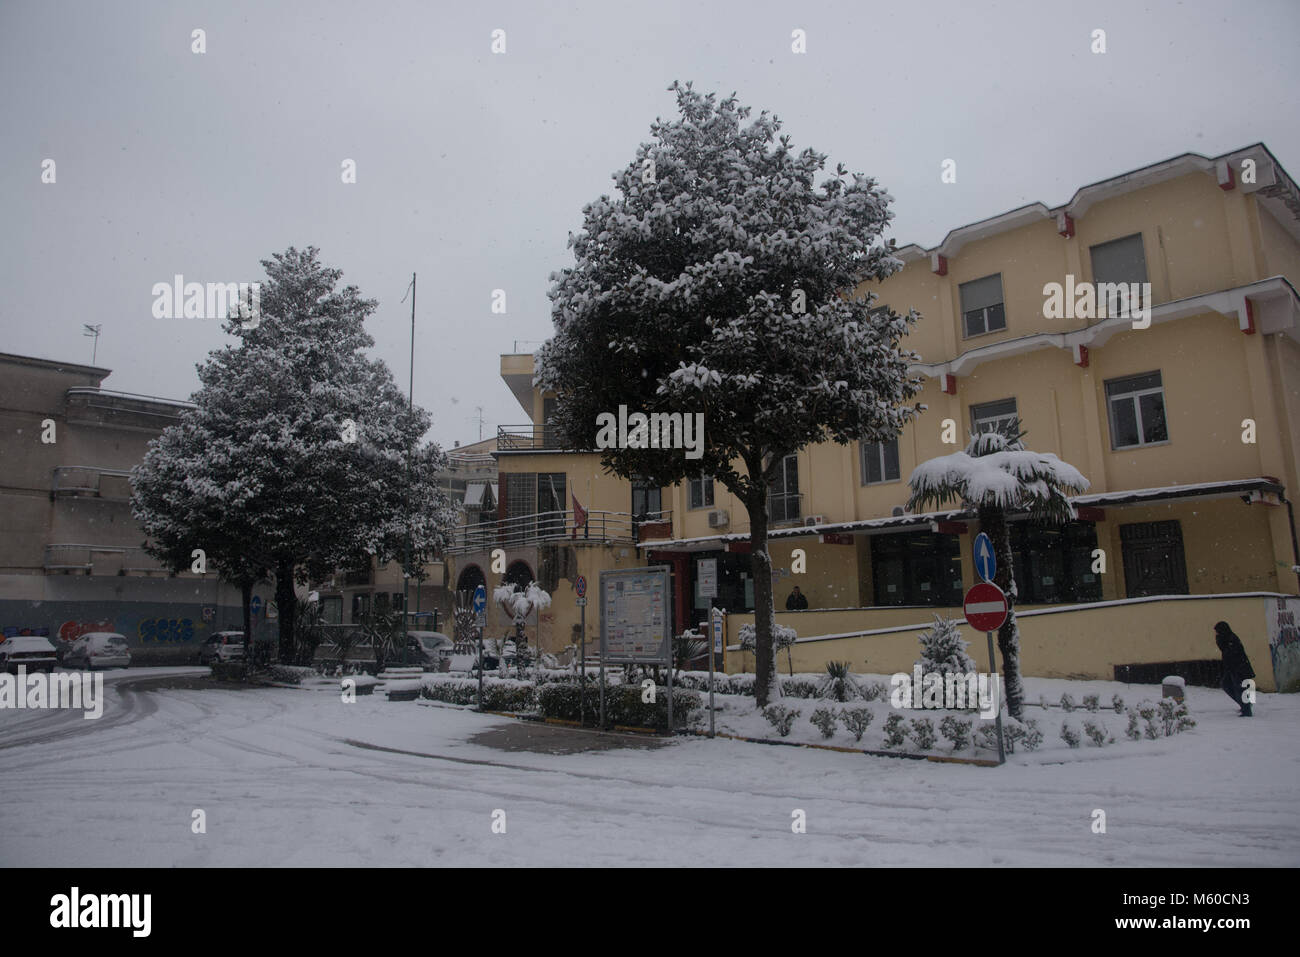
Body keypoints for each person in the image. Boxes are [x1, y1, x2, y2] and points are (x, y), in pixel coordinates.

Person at [1214, 620, 1255, 716]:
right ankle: (1245, 705)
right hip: (1232, 668)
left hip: (1238, 668)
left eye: (1217, 632)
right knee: (1226, 685)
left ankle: (1246, 710)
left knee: (1239, 689)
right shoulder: (1226, 639)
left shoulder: (1231, 639)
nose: (1216, 634)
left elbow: (1232, 654)